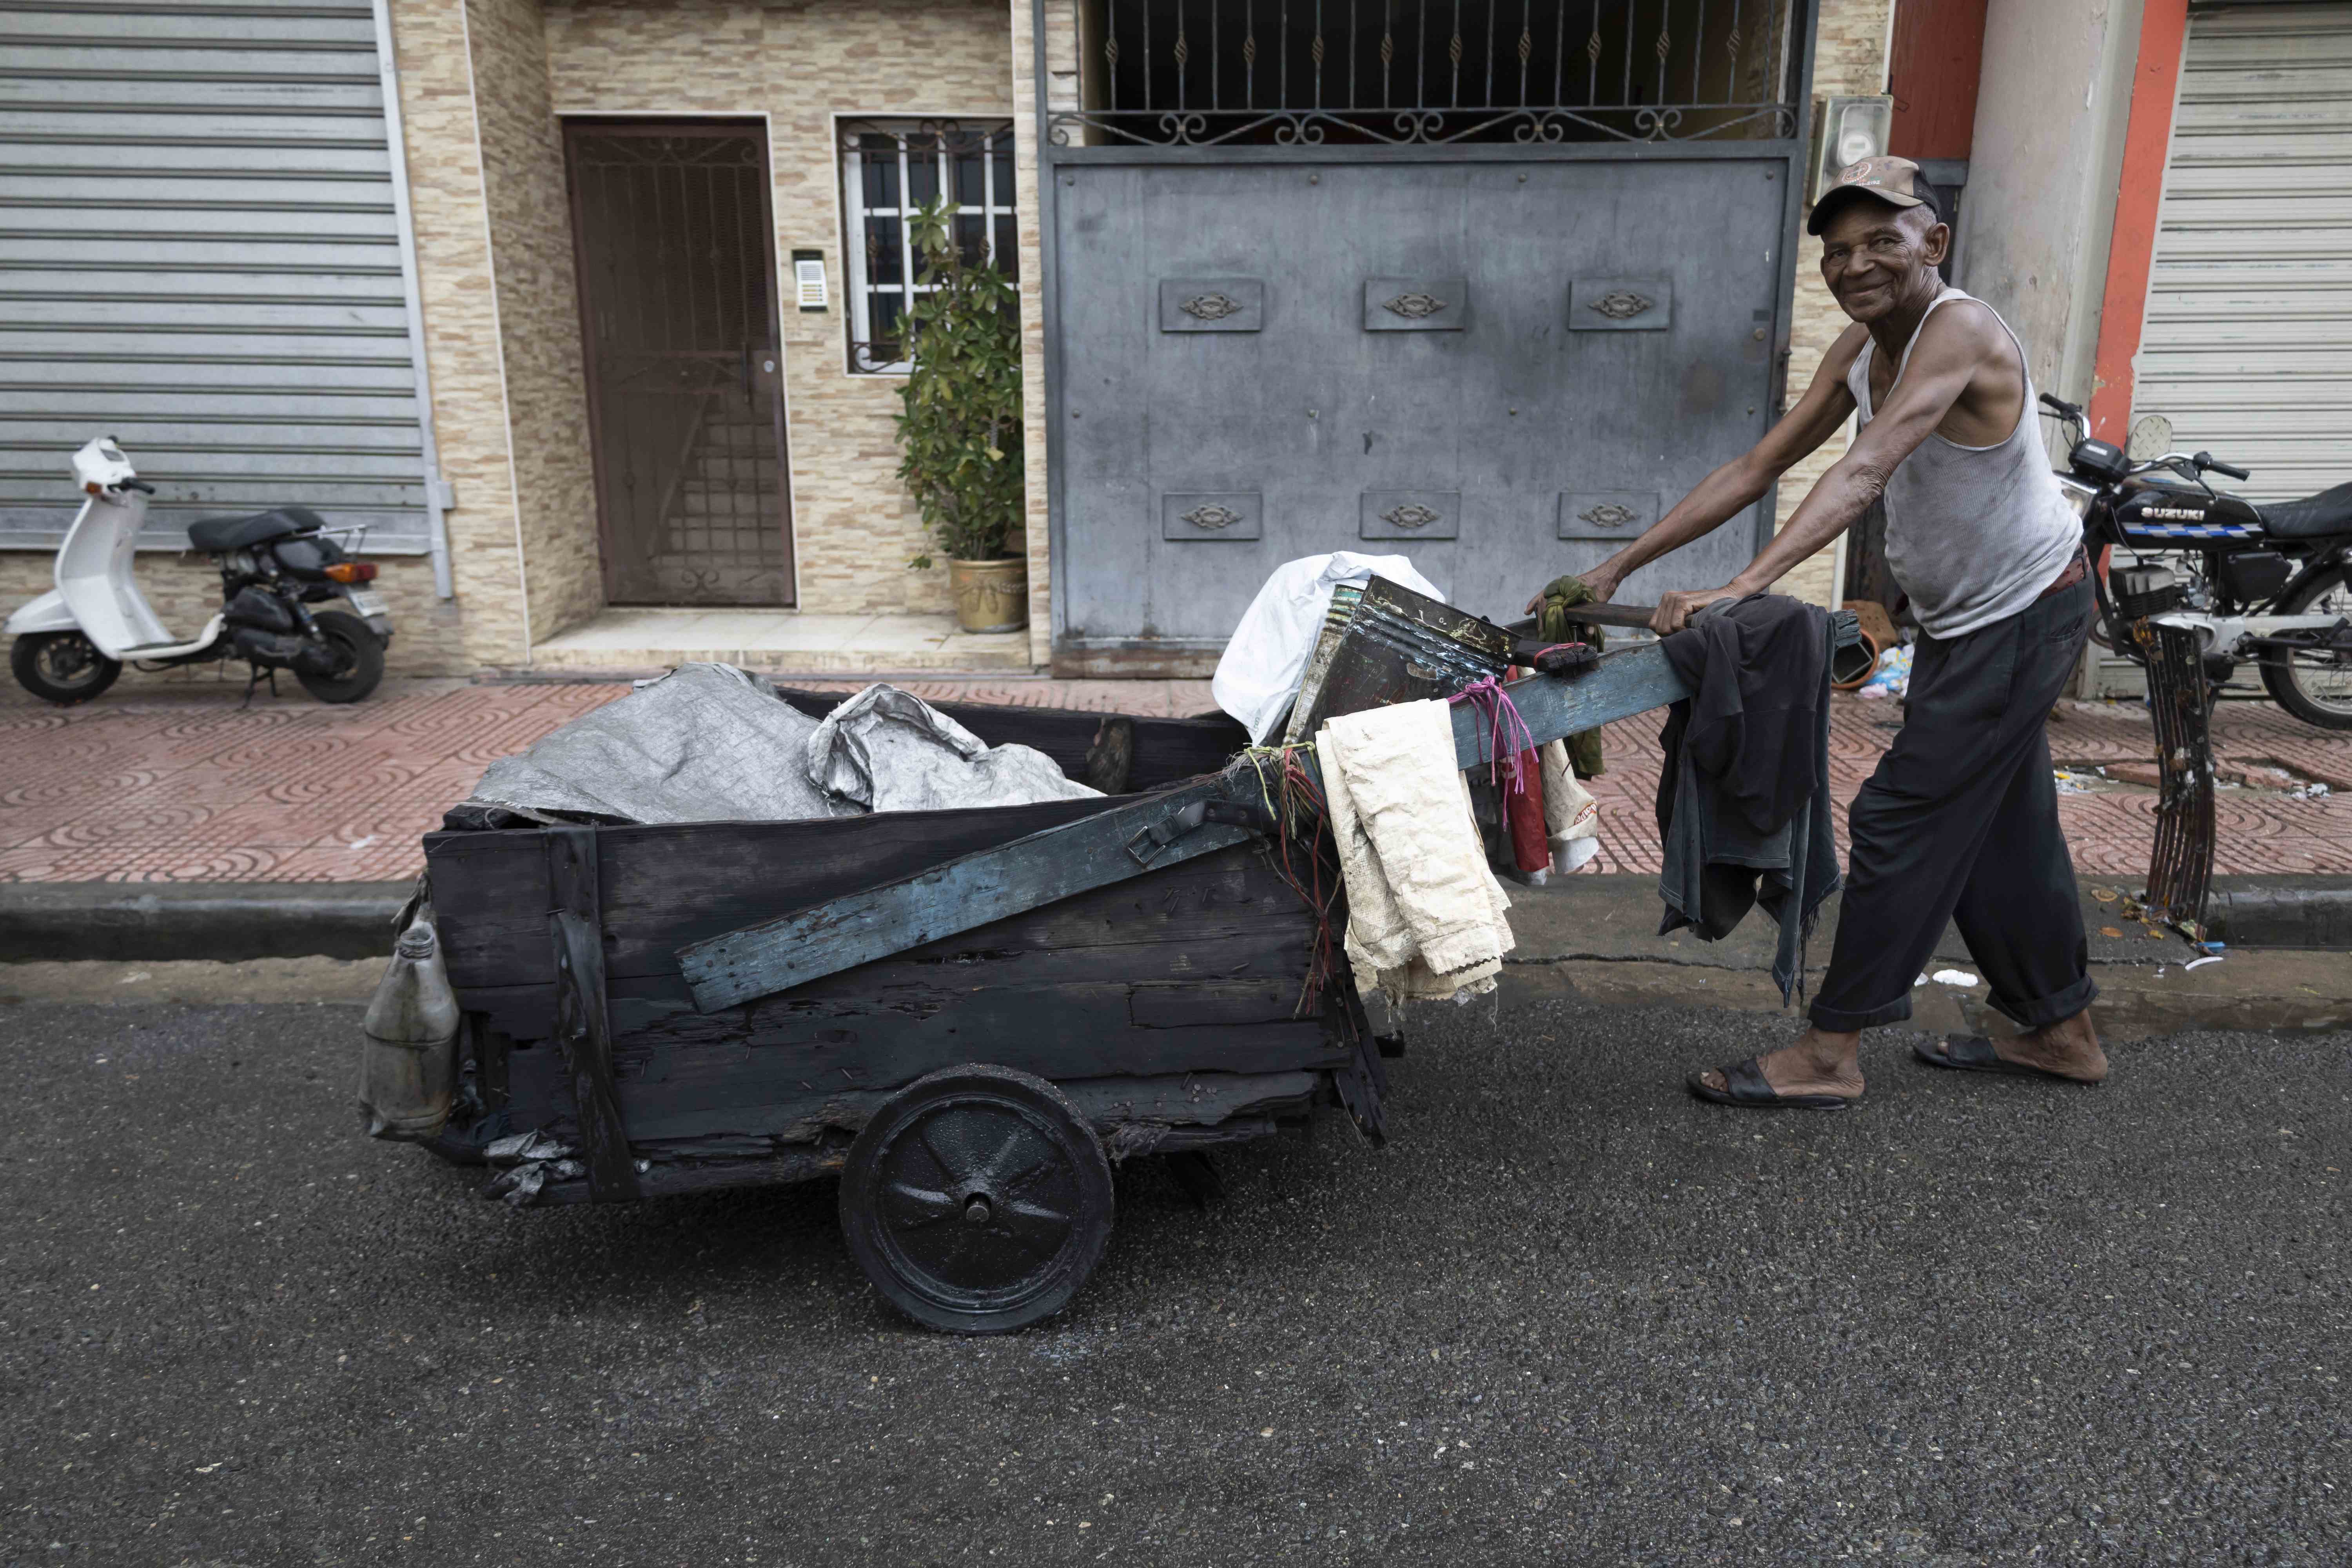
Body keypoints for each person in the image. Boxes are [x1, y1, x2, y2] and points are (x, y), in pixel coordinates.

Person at [1546, 155, 2105, 1108]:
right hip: (1976, 622)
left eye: (1882, 241)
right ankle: (2060, 1030)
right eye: (1838, 251)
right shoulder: (1857, 348)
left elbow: (1867, 469)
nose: (1856, 265)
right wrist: (1618, 565)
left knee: (1901, 819)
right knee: (2004, 827)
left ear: (1933, 242)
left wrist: (1745, 584)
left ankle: (1830, 1050)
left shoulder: (1958, 329)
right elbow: (1757, 466)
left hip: (2024, 611)